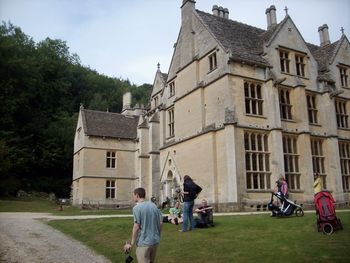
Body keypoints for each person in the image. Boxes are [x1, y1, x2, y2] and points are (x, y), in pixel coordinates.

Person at [123, 187, 163, 263]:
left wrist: (131, 244)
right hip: (154, 241)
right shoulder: (154, 206)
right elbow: (161, 223)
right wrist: (158, 235)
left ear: (137, 195)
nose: (133, 197)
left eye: (134, 195)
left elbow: (136, 226)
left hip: (144, 243)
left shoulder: (136, 208)